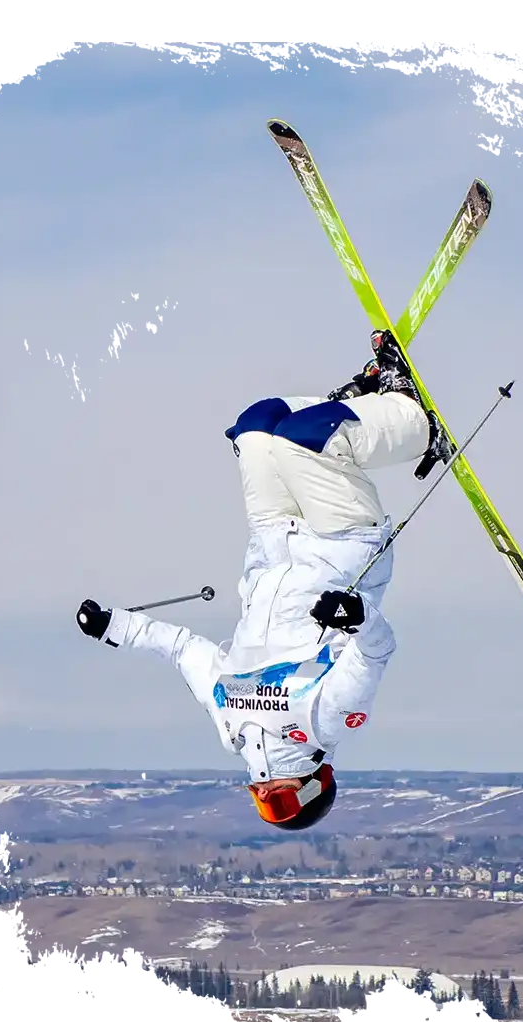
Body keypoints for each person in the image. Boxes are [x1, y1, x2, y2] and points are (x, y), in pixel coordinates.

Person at [76, 330, 453, 830]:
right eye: (278, 805)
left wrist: (113, 627)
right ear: (315, 783)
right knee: (305, 442)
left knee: (257, 426)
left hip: (275, 542)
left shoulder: (229, 723)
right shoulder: (323, 719)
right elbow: (377, 652)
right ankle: (415, 421)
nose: (264, 795)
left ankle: (363, 402)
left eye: (263, 806)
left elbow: (184, 650)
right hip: (342, 545)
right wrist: (356, 617)